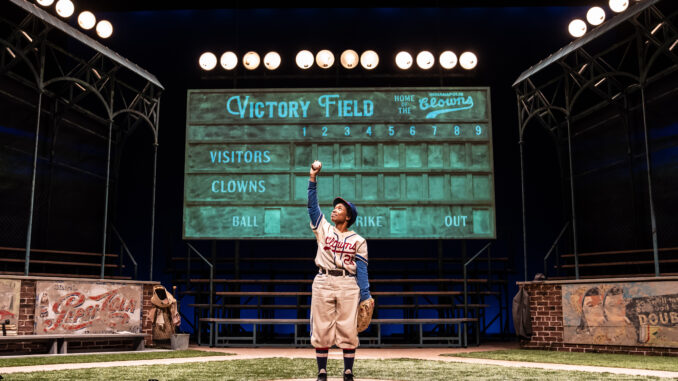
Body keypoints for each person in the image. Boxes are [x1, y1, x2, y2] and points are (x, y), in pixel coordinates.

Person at [308, 160, 371, 381]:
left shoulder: (359, 240)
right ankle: (322, 371)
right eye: (334, 208)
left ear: (348, 217)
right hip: (323, 279)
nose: (334, 210)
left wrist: (365, 294)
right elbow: (312, 207)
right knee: (321, 327)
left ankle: (348, 371)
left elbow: (361, 269)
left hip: (348, 283)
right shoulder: (323, 228)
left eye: (340, 208)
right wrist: (312, 179)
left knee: (347, 328)